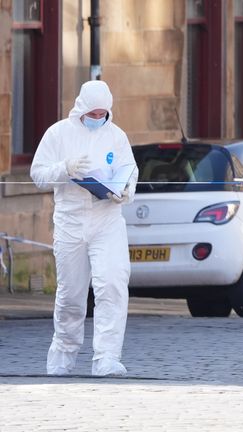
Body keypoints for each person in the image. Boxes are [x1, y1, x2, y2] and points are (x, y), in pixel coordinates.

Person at [30, 80, 138, 376]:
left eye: (103, 114)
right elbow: (37, 174)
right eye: (93, 114)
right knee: (71, 294)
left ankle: (107, 356)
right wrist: (64, 168)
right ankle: (62, 357)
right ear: (81, 110)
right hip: (70, 221)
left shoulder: (117, 136)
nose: (97, 119)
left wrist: (126, 190)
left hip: (107, 219)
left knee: (112, 283)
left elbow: (129, 172)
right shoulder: (58, 134)